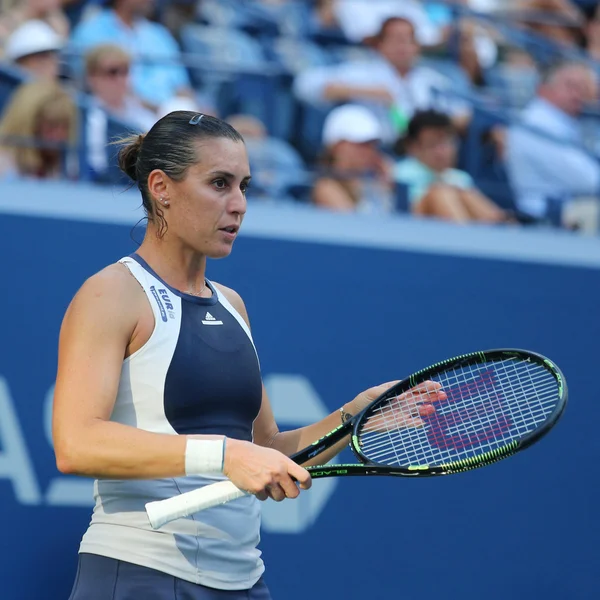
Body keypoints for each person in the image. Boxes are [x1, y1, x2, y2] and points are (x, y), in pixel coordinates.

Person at [52, 110, 436, 599]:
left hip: (243, 582)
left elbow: (269, 450)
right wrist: (226, 454)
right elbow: (76, 442)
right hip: (139, 574)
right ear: (160, 187)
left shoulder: (232, 304)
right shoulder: (112, 293)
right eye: (219, 183)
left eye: (244, 186)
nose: (238, 205)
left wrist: (352, 417)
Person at [294, 16, 471, 145]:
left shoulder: (429, 80)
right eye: (396, 40)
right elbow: (304, 85)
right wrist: (367, 92)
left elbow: (462, 112)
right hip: (374, 151)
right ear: (380, 45)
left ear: (417, 47)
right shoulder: (362, 72)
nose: (403, 47)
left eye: (409, 40)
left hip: (420, 153)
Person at [505, 61, 600, 225]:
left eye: (583, 88)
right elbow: (589, 180)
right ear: (543, 89)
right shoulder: (537, 122)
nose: (578, 94)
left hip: (572, 210)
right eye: (570, 86)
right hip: (544, 218)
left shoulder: (568, 120)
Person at [70, 0, 196, 111]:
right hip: (120, 116)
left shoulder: (159, 33)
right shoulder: (91, 30)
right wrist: (158, 111)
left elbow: (182, 86)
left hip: (170, 117)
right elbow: (99, 84)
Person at [395, 110, 509, 223]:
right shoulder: (399, 173)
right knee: (441, 193)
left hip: (465, 228)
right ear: (413, 147)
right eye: (432, 144)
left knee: (466, 194)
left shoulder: (461, 177)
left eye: (445, 143)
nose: (441, 152)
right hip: (415, 230)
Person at [312, 104, 397, 213]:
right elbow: (355, 225)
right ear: (337, 146)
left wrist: (387, 186)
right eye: (361, 145)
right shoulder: (325, 187)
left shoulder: (371, 184)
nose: (370, 152)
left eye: (372, 146)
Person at [0, 79, 78, 180]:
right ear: (27, 125)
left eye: (65, 127)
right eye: (52, 126)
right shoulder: (4, 166)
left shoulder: (65, 168)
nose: (60, 135)